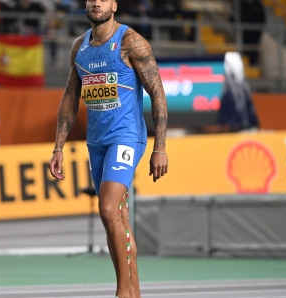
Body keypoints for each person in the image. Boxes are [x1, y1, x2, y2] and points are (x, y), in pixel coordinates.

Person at [47, 0, 169, 297]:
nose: (95, 2)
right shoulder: (80, 47)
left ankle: (122, 292)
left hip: (126, 137)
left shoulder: (131, 41)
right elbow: (70, 96)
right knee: (118, 219)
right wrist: (58, 147)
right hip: (97, 142)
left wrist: (160, 147)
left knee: (107, 208)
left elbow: (157, 92)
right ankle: (135, 292)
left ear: (114, 5)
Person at [240, 0, 266, 66]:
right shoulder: (241, 3)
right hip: (244, 34)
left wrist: (258, 29)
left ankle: (253, 66)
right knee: (244, 51)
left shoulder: (257, 4)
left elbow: (263, 18)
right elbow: (233, 17)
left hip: (255, 34)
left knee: (253, 52)